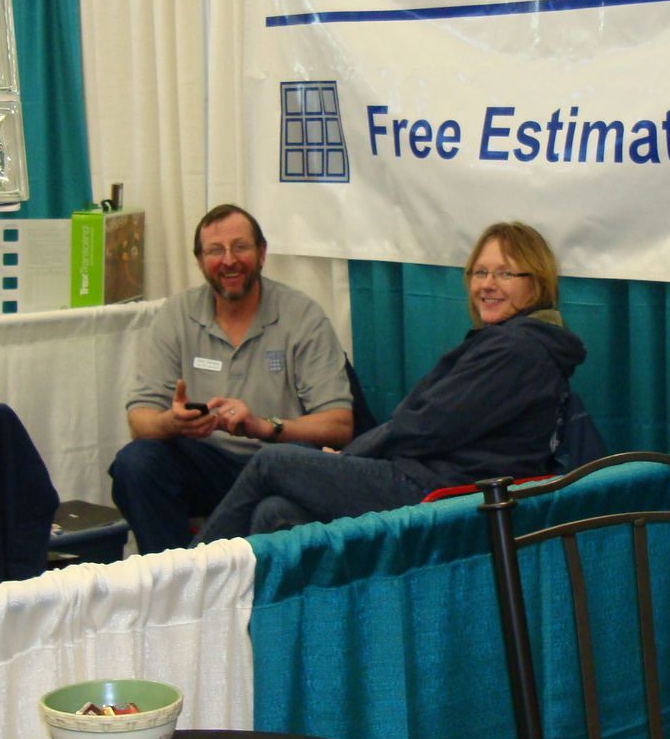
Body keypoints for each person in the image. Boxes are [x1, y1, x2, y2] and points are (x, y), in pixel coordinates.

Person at [195, 221, 584, 543]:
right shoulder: (515, 343)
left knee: (271, 463)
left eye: (505, 273)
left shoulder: (517, 350)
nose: (487, 284)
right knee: (276, 513)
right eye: (480, 272)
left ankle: (180, 578)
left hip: (443, 493)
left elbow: (426, 427)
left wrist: (350, 457)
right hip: (436, 480)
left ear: (537, 282)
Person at [109, 204, 354, 554]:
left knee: (289, 466)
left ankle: (194, 573)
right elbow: (140, 420)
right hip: (206, 464)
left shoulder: (302, 316)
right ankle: (171, 573)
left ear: (262, 253)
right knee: (136, 463)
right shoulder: (177, 314)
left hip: (277, 461)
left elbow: (339, 424)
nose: (229, 261)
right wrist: (172, 422)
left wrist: (263, 426)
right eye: (215, 251)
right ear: (199, 261)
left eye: (240, 247)